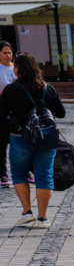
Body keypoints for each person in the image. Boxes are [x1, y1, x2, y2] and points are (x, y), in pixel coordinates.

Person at [0, 53, 66, 229]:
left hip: (19, 138)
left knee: (19, 174)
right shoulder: (47, 88)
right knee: (44, 176)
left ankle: (27, 212)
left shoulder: (11, 90)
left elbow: (1, 114)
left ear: (17, 69)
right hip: (46, 138)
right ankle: (43, 218)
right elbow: (61, 113)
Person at [0, 41, 14, 189]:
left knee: (20, 143)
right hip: (2, 111)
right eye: (4, 53)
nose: (8, 56)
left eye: (9, 52)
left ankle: (26, 170)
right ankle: (3, 174)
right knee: (2, 144)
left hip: (17, 111)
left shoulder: (16, 68)